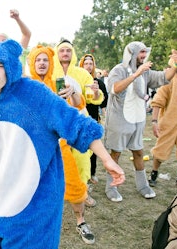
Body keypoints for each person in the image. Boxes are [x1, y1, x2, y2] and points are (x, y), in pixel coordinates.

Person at [0, 36, 125, 249]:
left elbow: (76, 124)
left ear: (9, 66)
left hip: (33, 206)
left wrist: (106, 160)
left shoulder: (35, 94)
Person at [27, 44, 96, 244]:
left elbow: (79, 104)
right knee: (32, 189)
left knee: (74, 184)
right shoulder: (24, 86)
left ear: (51, 63)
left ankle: (81, 221)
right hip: (32, 148)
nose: (41, 63)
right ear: (32, 62)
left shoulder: (59, 83)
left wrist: (72, 92)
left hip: (59, 146)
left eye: (45, 60)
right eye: (38, 60)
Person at [103, 41, 177, 202]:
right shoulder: (119, 70)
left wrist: (176, 64)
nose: (144, 56)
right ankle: (111, 186)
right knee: (116, 153)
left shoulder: (145, 71)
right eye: (141, 52)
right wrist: (136, 74)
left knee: (138, 152)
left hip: (137, 119)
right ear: (131, 53)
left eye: (146, 52)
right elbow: (115, 89)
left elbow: (163, 77)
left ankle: (143, 185)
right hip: (119, 119)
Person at [52, 39, 104, 207]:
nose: (65, 53)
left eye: (68, 50)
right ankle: (58, 191)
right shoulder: (51, 71)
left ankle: (83, 192)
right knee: (57, 160)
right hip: (56, 124)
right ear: (57, 53)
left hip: (78, 120)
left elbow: (92, 97)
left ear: (73, 53)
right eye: (62, 50)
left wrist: (95, 93)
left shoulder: (82, 73)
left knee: (82, 159)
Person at [148, 53, 177, 189]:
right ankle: (154, 172)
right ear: (176, 65)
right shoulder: (168, 81)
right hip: (169, 122)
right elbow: (158, 102)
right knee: (160, 149)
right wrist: (154, 122)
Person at [79, 54, 109, 184]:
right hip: (80, 117)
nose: (88, 66)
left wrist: (105, 115)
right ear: (81, 65)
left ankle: (92, 172)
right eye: (86, 63)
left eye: (91, 63)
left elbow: (103, 100)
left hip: (93, 117)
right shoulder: (77, 79)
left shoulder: (98, 82)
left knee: (94, 146)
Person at [0, 9, 31, 74]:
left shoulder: (17, 53)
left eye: (4, 40)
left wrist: (18, 19)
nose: (1, 43)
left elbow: (26, 35)